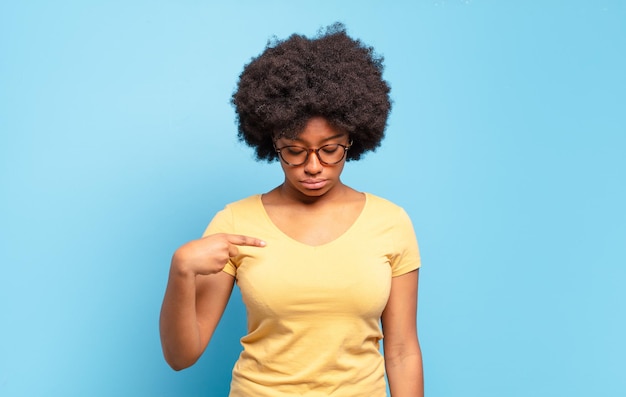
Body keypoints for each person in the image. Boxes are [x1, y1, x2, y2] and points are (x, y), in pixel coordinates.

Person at [160, 23, 423, 397]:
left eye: (330, 149)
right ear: (271, 141)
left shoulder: (391, 223)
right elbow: (181, 356)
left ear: (352, 138)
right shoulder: (235, 222)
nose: (313, 166)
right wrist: (181, 270)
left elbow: (401, 350)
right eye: (295, 150)